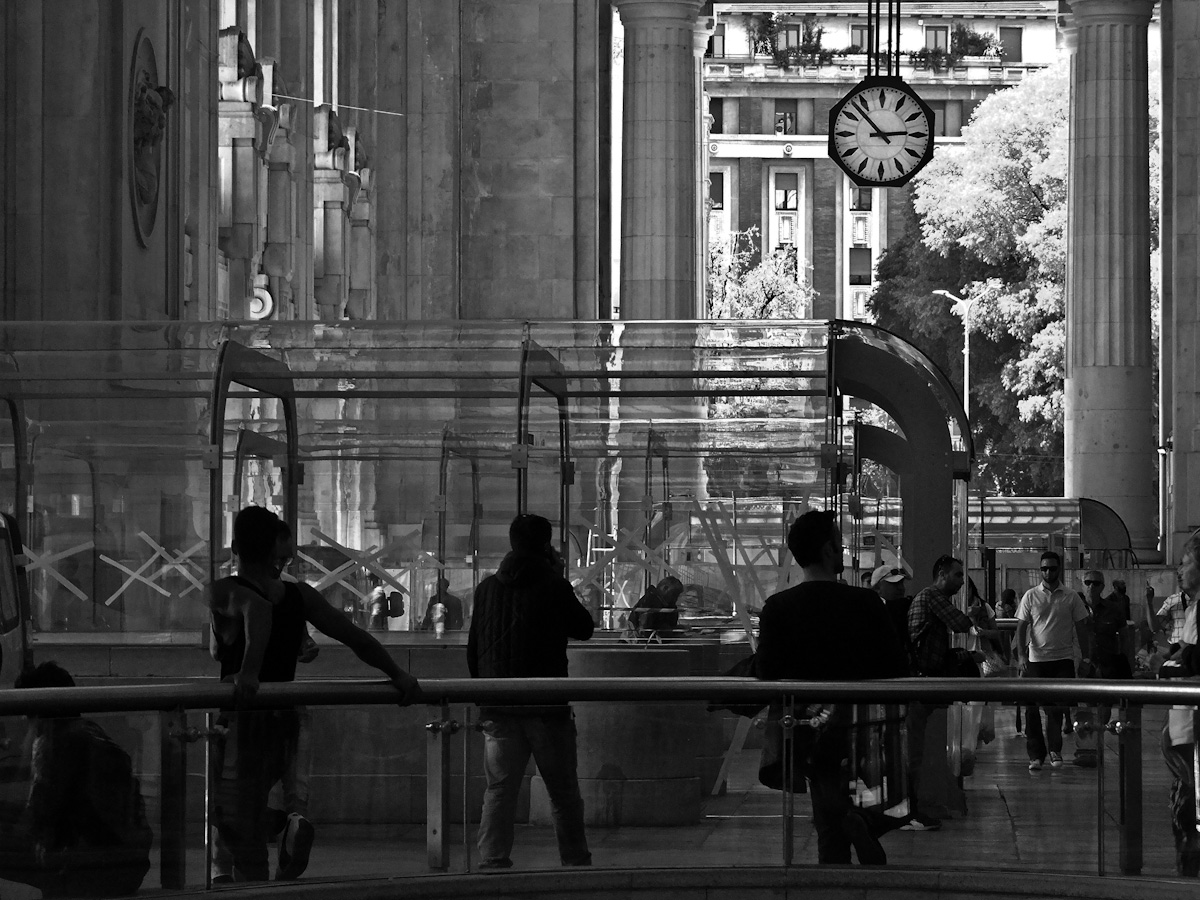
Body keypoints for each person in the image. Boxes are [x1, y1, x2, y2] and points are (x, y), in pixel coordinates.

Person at [208, 506, 421, 882]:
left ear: (234, 545)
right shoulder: (298, 596)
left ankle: (262, 863)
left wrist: (249, 672)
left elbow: (254, 612)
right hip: (284, 716)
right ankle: (285, 830)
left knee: (233, 813)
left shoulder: (225, 591)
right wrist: (398, 674)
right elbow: (355, 638)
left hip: (242, 718)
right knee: (244, 808)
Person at [754, 510, 908, 865]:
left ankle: (835, 873)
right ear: (827, 550)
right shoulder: (866, 603)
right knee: (871, 798)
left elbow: (767, 671)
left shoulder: (778, 608)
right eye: (839, 544)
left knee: (826, 815)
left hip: (808, 727)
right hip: (862, 723)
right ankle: (864, 823)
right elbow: (896, 667)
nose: (842, 551)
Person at [468, 513, 595, 870]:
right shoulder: (553, 586)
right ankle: (574, 858)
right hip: (545, 705)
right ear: (546, 545)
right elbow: (584, 627)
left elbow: (474, 649)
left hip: (498, 705)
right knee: (562, 790)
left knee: (499, 789)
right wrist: (557, 576)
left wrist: (485, 697)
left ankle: (492, 857)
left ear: (511, 543)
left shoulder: (487, 589)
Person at [0, 662, 152, 897]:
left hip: (84, 868)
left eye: (25, 710)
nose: (22, 719)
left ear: (37, 708)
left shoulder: (52, 743)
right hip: (128, 864)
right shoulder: (90, 732)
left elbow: (40, 817)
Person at [905, 555, 984, 831]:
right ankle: (910, 811)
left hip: (921, 681)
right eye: (958, 575)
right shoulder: (932, 596)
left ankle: (914, 808)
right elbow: (961, 624)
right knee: (913, 753)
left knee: (916, 752)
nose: (962, 582)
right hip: (920, 683)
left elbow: (937, 649)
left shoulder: (931, 599)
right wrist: (974, 615)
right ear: (941, 574)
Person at [1014, 550, 1091, 772]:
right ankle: (1035, 755)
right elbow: (1021, 627)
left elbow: (1082, 628)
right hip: (1036, 660)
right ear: (1040, 571)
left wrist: (1085, 657)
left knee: (1057, 707)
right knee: (1032, 709)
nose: (1048, 572)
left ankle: (1054, 750)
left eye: (1052, 568)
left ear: (1059, 570)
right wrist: (1021, 657)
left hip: (1062, 660)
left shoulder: (1071, 596)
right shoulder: (1030, 596)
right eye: (1044, 568)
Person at [1159, 533, 1200, 876]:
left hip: (1193, 720)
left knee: (1189, 804)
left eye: (1186, 562)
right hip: (1184, 718)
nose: (1179, 569)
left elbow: (1194, 659)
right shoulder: (1193, 607)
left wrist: (1170, 664)